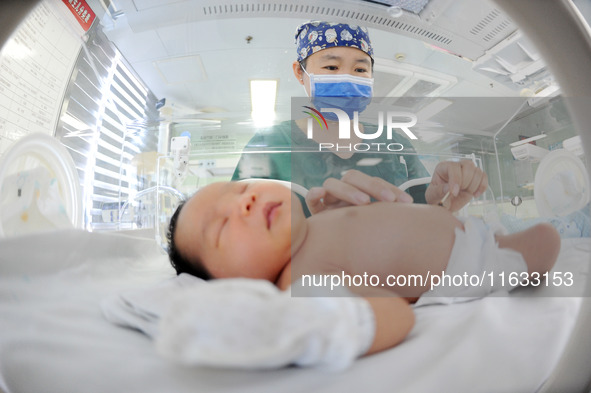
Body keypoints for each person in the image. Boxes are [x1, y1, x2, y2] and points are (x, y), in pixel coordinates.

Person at [167, 179, 560, 356]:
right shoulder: (301, 283)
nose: (245, 201)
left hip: (464, 226)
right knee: (547, 240)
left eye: (237, 188)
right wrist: (336, 322)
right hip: (474, 262)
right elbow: (385, 314)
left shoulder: (315, 223)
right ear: (228, 285)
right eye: (221, 227)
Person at [231, 20, 488, 216]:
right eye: (331, 67)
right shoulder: (270, 143)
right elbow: (238, 222)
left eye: (360, 69)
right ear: (300, 72)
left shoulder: (391, 141)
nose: (347, 77)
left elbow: (420, 216)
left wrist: (440, 200)